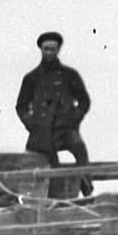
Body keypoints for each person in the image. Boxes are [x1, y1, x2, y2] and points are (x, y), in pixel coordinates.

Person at [14, 31, 92, 198]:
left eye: (52, 49)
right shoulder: (31, 78)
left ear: (58, 50)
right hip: (41, 132)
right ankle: (44, 200)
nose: (49, 52)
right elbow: (21, 106)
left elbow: (84, 101)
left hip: (66, 129)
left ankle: (87, 187)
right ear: (41, 50)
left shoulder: (69, 75)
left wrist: (74, 119)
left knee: (80, 149)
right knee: (34, 164)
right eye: (46, 49)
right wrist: (31, 124)